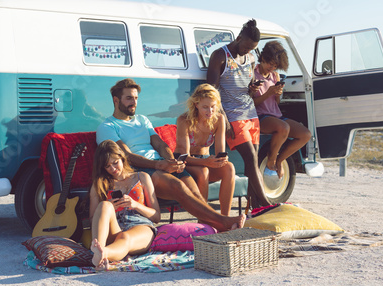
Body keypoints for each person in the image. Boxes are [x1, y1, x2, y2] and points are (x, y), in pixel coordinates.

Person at [96, 78, 245, 231]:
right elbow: (126, 156)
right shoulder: (107, 126)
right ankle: (224, 222)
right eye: (129, 98)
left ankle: (211, 227)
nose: (134, 102)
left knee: (194, 191)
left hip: (160, 163)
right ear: (116, 100)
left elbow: (160, 144)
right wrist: (159, 165)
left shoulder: (142, 120)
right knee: (178, 186)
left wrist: (171, 161)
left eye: (136, 98)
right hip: (140, 169)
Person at [207, 19, 266, 208]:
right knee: (250, 157)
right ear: (239, 38)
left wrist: (253, 88)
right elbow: (212, 91)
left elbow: (246, 86)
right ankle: (265, 202)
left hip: (250, 112)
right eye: (247, 47)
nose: (248, 51)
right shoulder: (219, 56)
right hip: (232, 115)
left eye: (252, 48)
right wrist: (223, 117)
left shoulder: (250, 58)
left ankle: (253, 206)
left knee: (253, 161)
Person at [89, 140, 160, 269]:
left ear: (122, 158)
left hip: (140, 225)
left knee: (124, 237)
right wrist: (111, 207)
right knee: (105, 205)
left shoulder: (142, 177)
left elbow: (156, 217)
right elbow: (92, 219)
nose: (113, 169)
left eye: (115, 163)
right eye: (107, 166)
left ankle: (102, 254)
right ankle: (98, 248)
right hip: (114, 226)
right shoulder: (100, 183)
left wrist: (135, 205)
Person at [252, 41, 311, 178]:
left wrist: (277, 94)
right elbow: (251, 104)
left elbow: (276, 103)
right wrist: (268, 93)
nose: (271, 68)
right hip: (260, 116)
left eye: (275, 66)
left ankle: (280, 160)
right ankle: (271, 159)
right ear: (263, 58)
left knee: (305, 134)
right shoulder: (253, 73)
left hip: (275, 116)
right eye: (269, 63)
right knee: (283, 127)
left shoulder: (275, 76)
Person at [175, 83, 235, 216]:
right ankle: (205, 219)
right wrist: (207, 162)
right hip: (186, 163)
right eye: (205, 107)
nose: (210, 111)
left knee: (229, 167)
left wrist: (221, 159)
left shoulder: (219, 119)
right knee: (203, 172)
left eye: (213, 107)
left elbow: (220, 152)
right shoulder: (184, 120)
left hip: (206, 161)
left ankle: (225, 218)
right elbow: (184, 156)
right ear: (196, 104)